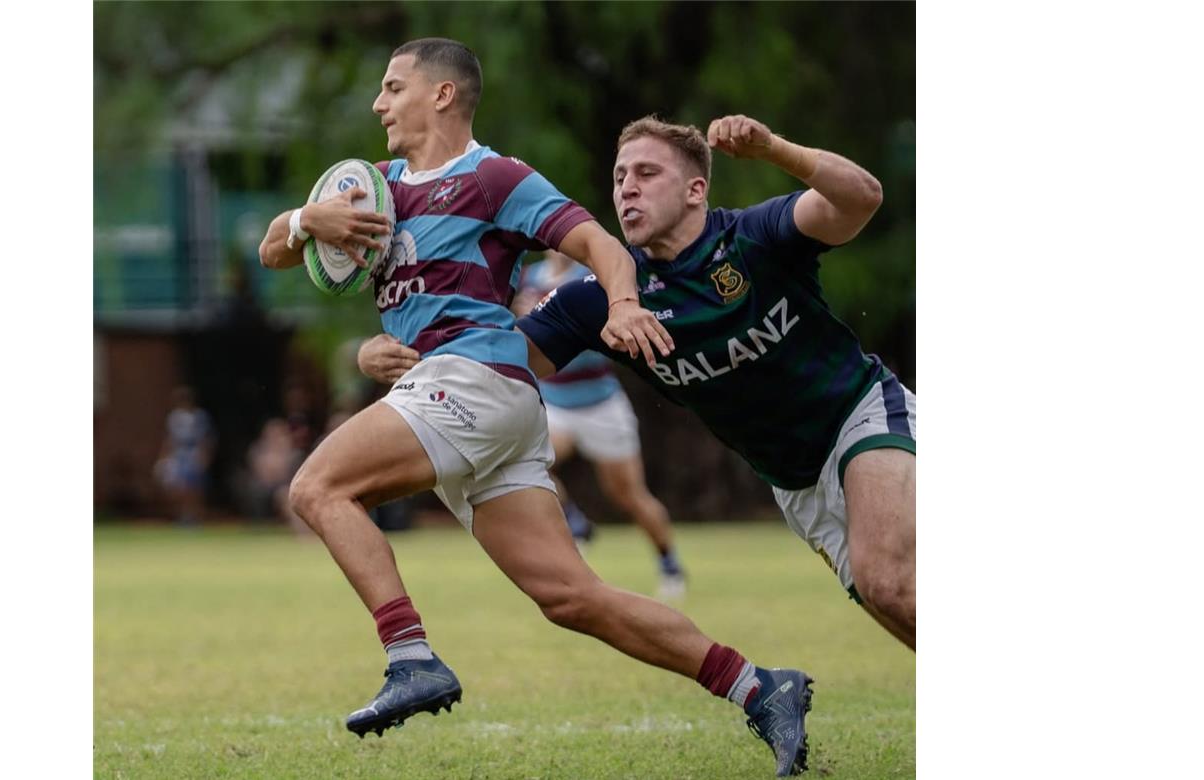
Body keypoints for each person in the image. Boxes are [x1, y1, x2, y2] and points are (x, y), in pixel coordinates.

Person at [260, 40, 813, 776]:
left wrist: (621, 305)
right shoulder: (374, 189)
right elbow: (274, 251)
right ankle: (760, 687)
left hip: (478, 380)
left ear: (443, 95)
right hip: (479, 397)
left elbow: (601, 246)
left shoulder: (494, 177)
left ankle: (410, 656)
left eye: (393, 88)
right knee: (570, 595)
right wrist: (307, 223)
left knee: (317, 486)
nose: (379, 104)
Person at [360, 114, 916, 651]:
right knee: (897, 603)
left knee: (887, 580)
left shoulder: (755, 237)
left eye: (648, 174)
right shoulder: (596, 297)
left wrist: (774, 149)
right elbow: (492, 371)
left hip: (861, 413)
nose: (628, 189)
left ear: (696, 190)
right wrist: (389, 352)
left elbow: (862, 197)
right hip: (794, 484)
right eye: (620, 177)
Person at [513, 249, 686, 598]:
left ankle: (668, 559)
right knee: (521, 462)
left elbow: (595, 336)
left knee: (628, 496)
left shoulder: (594, 277)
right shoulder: (529, 279)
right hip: (554, 402)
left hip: (600, 404)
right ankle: (575, 521)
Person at [153, 385, 215, 526]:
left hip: (194, 453)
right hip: (179, 455)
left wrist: (204, 455)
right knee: (178, 487)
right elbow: (169, 439)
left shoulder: (200, 416)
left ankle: (196, 516)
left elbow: (206, 438)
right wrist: (163, 457)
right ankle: (182, 515)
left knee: (195, 487)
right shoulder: (174, 417)